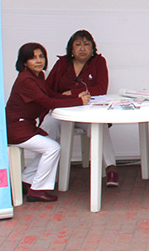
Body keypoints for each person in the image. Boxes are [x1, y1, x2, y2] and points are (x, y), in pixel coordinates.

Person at [6, 43, 90, 202]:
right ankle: (37, 190)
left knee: (48, 145)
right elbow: (48, 102)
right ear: (24, 62)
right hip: (16, 128)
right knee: (53, 148)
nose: (39, 61)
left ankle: (26, 180)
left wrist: (76, 97)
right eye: (33, 58)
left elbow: (50, 94)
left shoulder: (37, 76)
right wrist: (78, 101)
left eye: (41, 56)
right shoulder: (26, 80)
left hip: (25, 126)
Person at [43, 30, 119, 187]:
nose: (82, 48)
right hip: (63, 112)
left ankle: (111, 168)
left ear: (92, 48)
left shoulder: (98, 62)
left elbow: (101, 89)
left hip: (87, 114)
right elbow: (48, 89)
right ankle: (43, 174)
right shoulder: (62, 63)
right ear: (71, 49)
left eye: (86, 44)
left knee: (100, 126)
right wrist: (65, 98)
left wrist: (73, 93)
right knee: (47, 125)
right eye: (78, 44)